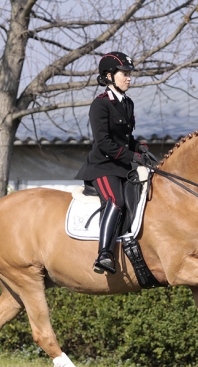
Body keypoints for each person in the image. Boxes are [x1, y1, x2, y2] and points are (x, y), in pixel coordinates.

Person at [75, 51, 150, 274]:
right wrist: (132, 157)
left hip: (123, 168)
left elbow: (126, 139)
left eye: (129, 74)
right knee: (115, 200)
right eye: (124, 74)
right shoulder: (100, 105)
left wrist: (140, 149)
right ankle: (104, 255)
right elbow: (105, 143)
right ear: (109, 76)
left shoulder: (128, 103)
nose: (129, 78)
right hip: (102, 167)